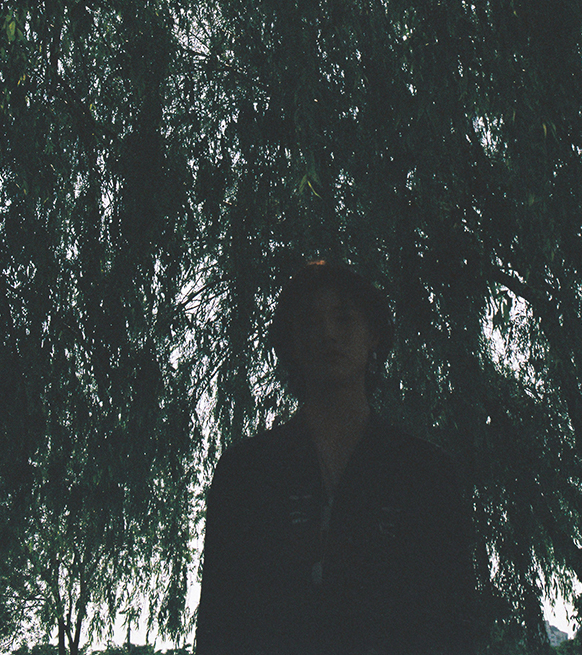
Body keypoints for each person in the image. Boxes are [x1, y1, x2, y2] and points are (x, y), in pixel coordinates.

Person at [195, 260, 475, 655]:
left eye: (344, 319)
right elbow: (220, 621)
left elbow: (451, 620)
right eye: (310, 322)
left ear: (373, 334)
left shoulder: (424, 471)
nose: (328, 333)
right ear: (291, 343)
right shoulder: (246, 472)